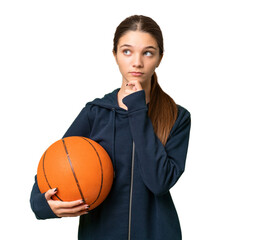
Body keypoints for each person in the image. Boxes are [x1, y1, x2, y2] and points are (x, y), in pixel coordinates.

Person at [30, 15, 191, 240]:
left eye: (148, 52)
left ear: (160, 58)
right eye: (127, 51)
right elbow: (54, 165)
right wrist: (42, 204)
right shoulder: (95, 113)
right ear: (115, 55)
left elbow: (159, 182)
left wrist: (136, 110)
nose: (137, 62)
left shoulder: (177, 117)